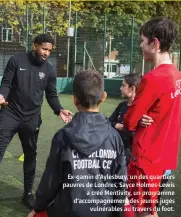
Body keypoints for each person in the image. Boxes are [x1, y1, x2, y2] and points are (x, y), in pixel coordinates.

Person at [0, 34, 73, 209]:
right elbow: (7, 82)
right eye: (44, 49)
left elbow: (51, 94)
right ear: (35, 46)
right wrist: (2, 95)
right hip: (10, 113)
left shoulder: (50, 70)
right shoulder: (17, 60)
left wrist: (59, 109)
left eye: (49, 50)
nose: (46, 53)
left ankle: (27, 194)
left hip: (31, 119)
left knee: (30, 155)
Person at [28, 69, 127, 217]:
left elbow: (51, 180)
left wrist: (37, 208)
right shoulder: (114, 137)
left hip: (67, 210)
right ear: (104, 97)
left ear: (74, 100)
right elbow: (120, 181)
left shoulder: (62, 136)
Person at [123, 17, 181, 217]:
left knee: (143, 213)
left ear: (154, 43)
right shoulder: (177, 75)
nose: (140, 45)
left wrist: (137, 118)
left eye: (142, 41)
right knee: (150, 210)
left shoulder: (152, 78)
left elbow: (128, 121)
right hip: (165, 157)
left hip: (146, 159)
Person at [109, 74, 141, 164]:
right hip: (118, 151)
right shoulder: (122, 105)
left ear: (132, 88)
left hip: (133, 154)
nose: (120, 88)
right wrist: (116, 125)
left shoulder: (141, 108)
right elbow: (108, 122)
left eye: (123, 85)